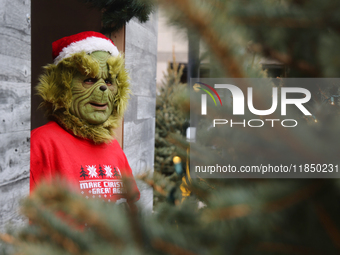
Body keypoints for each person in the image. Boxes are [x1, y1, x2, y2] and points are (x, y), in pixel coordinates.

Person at [30, 31, 140, 204]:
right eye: (89, 79)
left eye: (109, 81)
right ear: (62, 87)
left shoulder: (114, 148)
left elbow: (132, 210)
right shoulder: (40, 144)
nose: (103, 88)